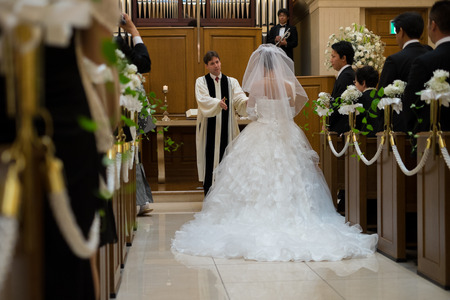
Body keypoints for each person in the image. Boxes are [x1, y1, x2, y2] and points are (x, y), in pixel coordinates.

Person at [172, 44, 378, 262]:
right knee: (292, 174)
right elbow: (291, 109)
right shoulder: (288, 85)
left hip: (260, 131)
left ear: (261, 65)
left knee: (252, 177)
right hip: (286, 131)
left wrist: (262, 115)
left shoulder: (257, 84)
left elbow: (251, 111)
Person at [116, 12, 155, 216]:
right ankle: (137, 201)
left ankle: (139, 201)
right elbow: (144, 63)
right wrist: (132, 29)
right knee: (129, 155)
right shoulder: (114, 43)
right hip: (119, 116)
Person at [195, 51, 248, 195]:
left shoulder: (231, 81)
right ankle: (209, 195)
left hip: (227, 127)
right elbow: (203, 99)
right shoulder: (201, 81)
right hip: (209, 128)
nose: (216, 66)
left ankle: (226, 196)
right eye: (212, 63)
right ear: (207, 66)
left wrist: (245, 101)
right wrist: (217, 103)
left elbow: (238, 97)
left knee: (228, 158)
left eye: (217, 62)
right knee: (209, 159)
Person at [378, 12, 431, 132]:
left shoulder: (394, 60)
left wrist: (382, 127)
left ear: (401, 31)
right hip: (429, 123)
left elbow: (382, 95)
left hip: (400, 127)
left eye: (396, 33)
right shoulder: (431, 56)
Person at [403, 0, 450, 133]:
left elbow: (411, 105)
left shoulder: (425, 62)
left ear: (433, 25)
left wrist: (416, 135)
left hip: (434, 139)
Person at [328, 41, 355, 135]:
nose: (331, 60)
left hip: (341, 128)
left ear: (343, 58)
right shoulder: (345, 74)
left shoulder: (346, 76)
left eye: (333, 56)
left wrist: (328, 123)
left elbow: (338, 103)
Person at [354, 66, 382, 136]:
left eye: (355, 82)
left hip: (365, 139)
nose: (355, 85)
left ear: (363, 83)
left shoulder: (360, 99)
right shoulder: (382, 98)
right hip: (382, 139)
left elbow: (357, 125)